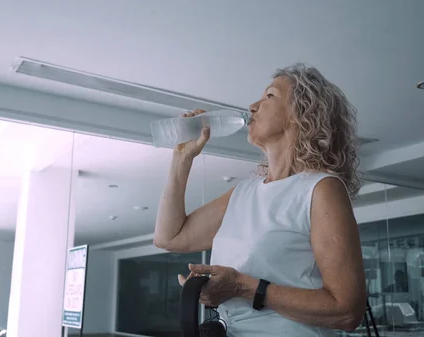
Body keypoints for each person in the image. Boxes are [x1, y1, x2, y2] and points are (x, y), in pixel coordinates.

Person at [154, 63, 366, 336]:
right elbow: (169, 237)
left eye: (269, 96)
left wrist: (243, 287)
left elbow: (347, 311)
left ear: (302, 113)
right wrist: (181, 160)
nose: (253, 106)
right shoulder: (244, 192)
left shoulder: (320, 189)